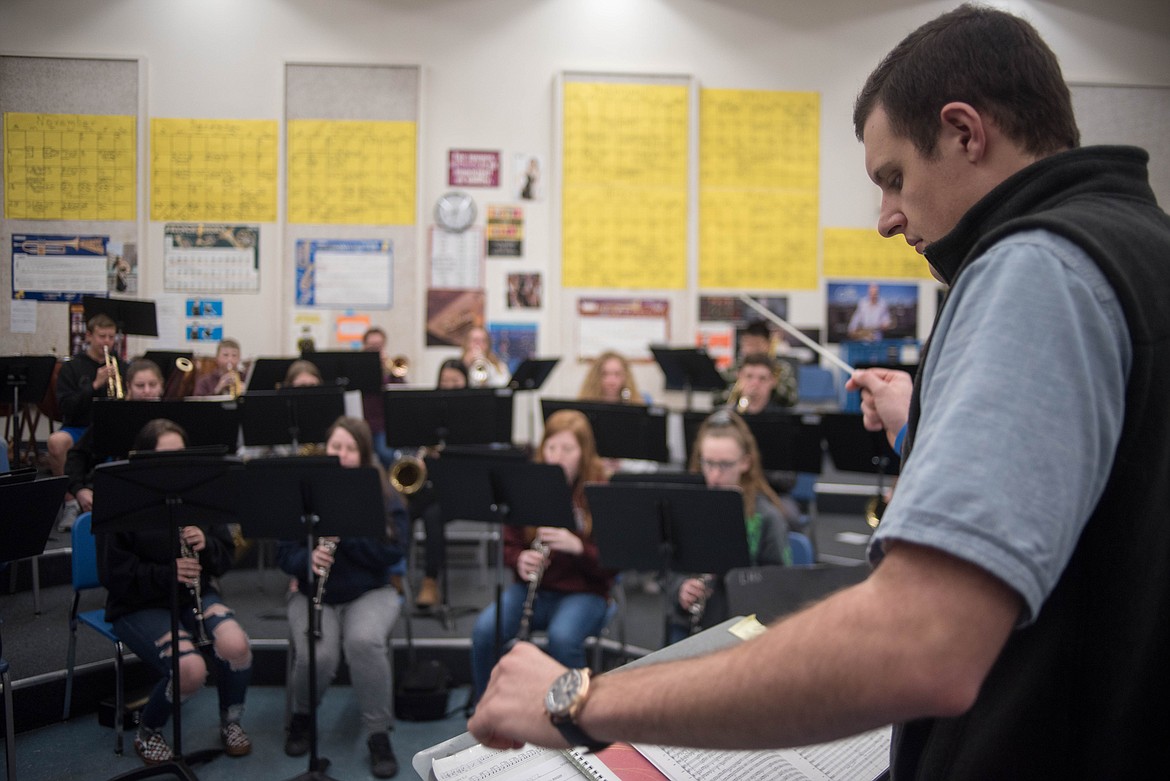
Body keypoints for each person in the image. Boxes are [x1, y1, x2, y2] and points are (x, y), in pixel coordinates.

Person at [469, 7, 1170, 777]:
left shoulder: (1034, 266)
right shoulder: (1140, 246)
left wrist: (577, 701)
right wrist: (928, 427)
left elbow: (920, 643)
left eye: (894, 177)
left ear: (967, 132)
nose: (886, 218)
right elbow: (1110, 494)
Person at [98, 418, 253, 765]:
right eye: (164, 457)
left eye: (180, 456)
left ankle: (231, 722)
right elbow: (113, 574)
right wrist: (168, 573)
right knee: (190, 670)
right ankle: (148, 732)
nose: (174, 466)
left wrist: (207, 544)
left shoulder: (197, 494)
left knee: (235, 645)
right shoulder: (122, 497)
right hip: (137, 604)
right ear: (144, 458)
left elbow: (224, 557)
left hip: (189, 597)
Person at [276, 416, 406, 778]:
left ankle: (378, 734)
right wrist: (309, 559)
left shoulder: (382, 493)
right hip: (312, 595)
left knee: (364, 642)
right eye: (337, 447)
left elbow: (393, 553)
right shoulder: (303, 492)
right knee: (318, 654)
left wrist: (349, 532)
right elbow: (284, 556)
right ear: (325, 449)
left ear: (364, 455)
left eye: (351, 449)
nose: (343, 455)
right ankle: (302, 715)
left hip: (370, 592)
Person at [469, 410, 613, 702]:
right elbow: (509, 542)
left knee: (563, 638)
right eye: (551, 447)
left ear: (584, 454)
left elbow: (613, 564)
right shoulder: (527, 484)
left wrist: (578, 547)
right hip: (533, 589)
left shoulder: (600, 491)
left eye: (568, 449)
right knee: (485, 630)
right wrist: (520, 559)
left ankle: (574, 716)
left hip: (586, 591)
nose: (557, 457)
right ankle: (487, 708)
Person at [666, 410, 792, 643]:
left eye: (724, 465)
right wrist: (680, 588)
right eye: (708, 463)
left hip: (742, 631)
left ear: (745, 462)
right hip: (689, 623)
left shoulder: (766, 517)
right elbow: (670, 566)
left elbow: (779, 585)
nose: (714, 476)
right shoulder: (690, 505)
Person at [47, 313, 125, 529]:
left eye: (111, 337)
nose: (107, 342)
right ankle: (70, 501)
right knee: (56, 442)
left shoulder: (122, 366)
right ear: (89, 336)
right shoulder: (72, 368)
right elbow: (66, 407)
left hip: (109, 428)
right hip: (78, 427)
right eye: (102, 336)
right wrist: (94, 385)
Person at [65, 359, 165, 515]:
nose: (147, 391)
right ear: (128, 387)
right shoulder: (112, 416)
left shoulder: (169, 419)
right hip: (116, 491)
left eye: (153, 385)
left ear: (161, 386)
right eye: (140, 386)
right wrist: (79, 490)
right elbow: (76, 455)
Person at [410, 359, 470, 609]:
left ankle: (430, 581)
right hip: (430, 484)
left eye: (455, 381)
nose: (449, 386)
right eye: (444, 381)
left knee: (433, 516)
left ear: (466, 383)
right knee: (399, 510)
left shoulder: (474, 414)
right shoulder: (429, 411)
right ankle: (393, 573)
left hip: (460, 488)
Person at [360, 327, 406, 467]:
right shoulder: (358, 368)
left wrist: (388, 372)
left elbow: (401, 392)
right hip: (362, 424)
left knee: (386, 454)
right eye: (371, 346)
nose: (375, 349)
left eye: (379, 346)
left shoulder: (390, 370)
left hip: (382, 426)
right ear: (364, 346)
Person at [576, 351, 647, 404]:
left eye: (617, 374)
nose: (611, 381)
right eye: (605, 374)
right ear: (595, 377)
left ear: (626, 376)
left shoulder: (636, 403)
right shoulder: (585, 403)